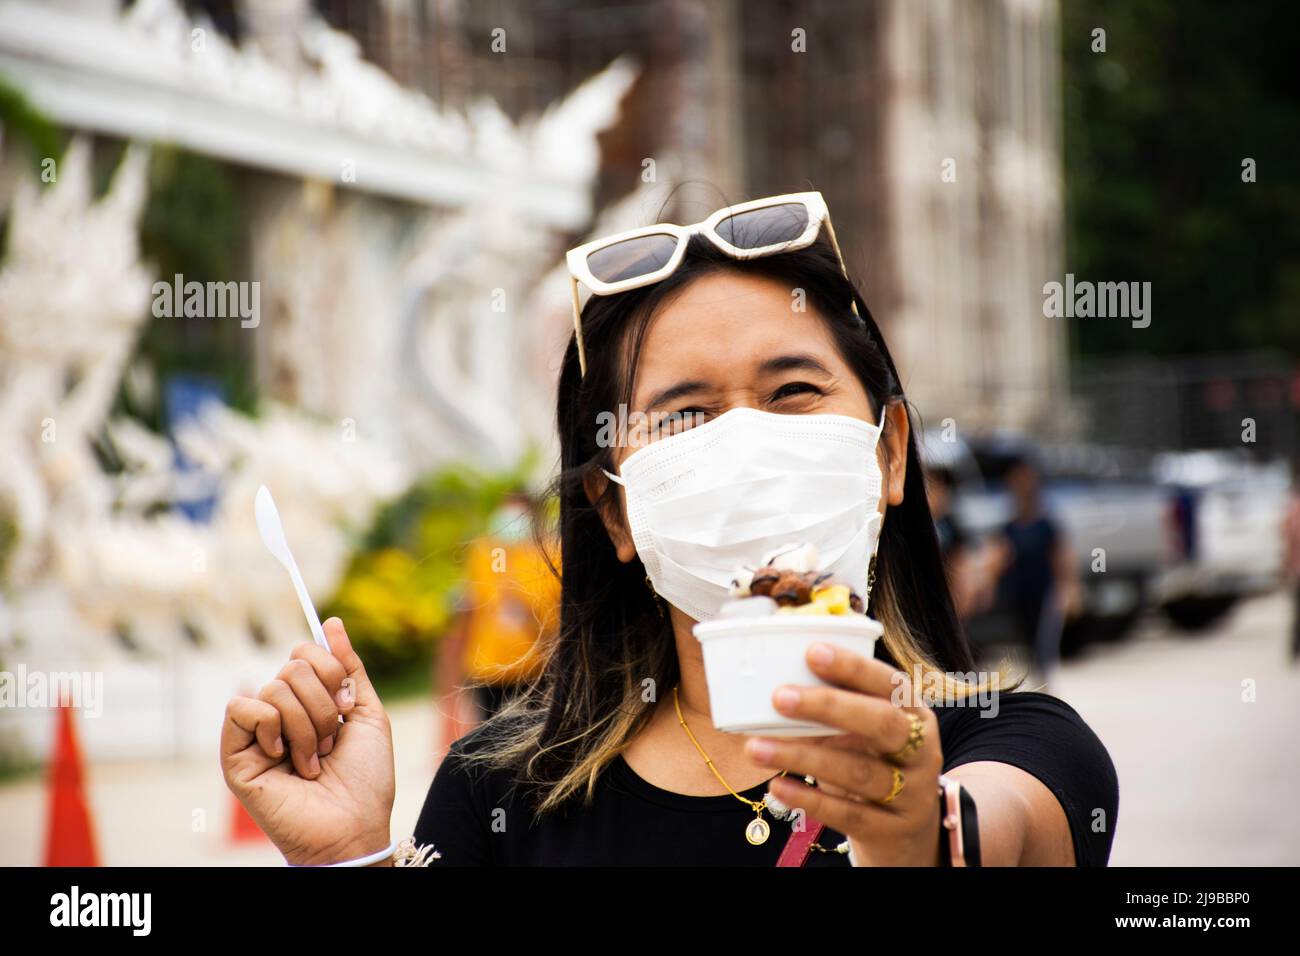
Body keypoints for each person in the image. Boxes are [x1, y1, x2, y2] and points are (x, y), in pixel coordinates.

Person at [220, 191, 1118, 867]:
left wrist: (919, 835)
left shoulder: (1016, 743)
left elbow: (997, 827)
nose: (745, 441)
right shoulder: (498, 794)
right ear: (615, 509)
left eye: (793, 392)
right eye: (684, 415)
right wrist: (348, 857)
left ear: (889, 455)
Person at [435, 491, 558, 747]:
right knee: (491, 745)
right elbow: (470, 610)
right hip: (488, 672)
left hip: (533, 672)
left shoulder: (549, 555)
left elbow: (557, 618)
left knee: (532, 742)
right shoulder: (483, 554)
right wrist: (452, 672)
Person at [995, 456, 1081, 684]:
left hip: (1044, 592)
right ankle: (1034, 682)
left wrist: (1069, 589)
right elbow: (1000, 559)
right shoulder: (1009, 527)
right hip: (1018, 594)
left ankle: (1045, 685)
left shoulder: (1046, 525)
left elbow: (1062, 557)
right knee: (1025, 642)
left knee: (1044, 642)